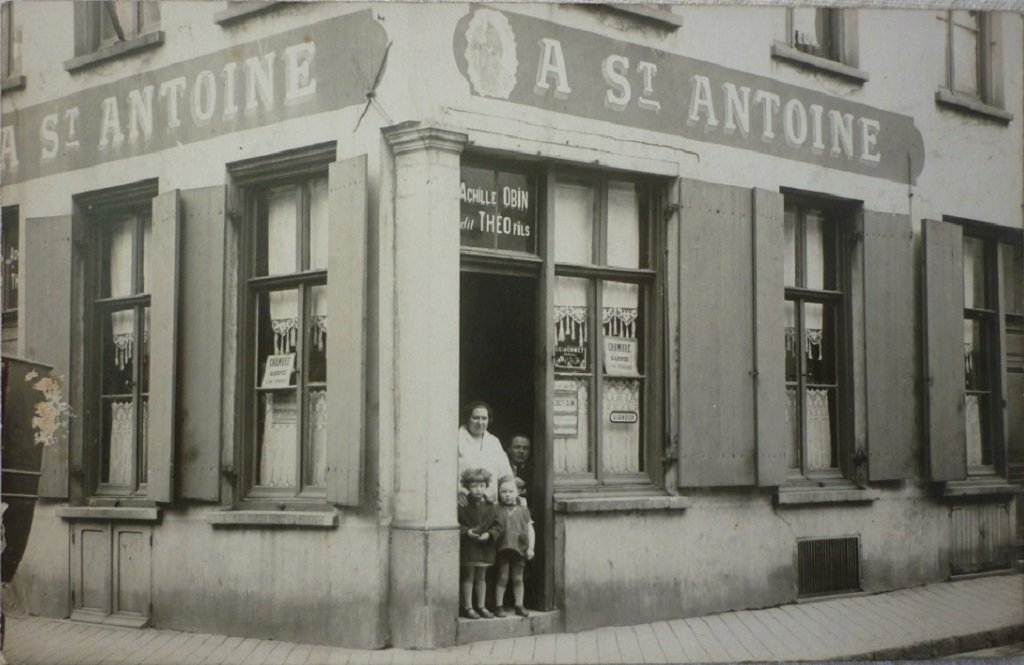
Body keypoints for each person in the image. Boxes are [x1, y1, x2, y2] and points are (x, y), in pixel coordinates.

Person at [458, 467, 502, 619]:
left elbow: (498, 525)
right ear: (468, 487)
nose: (478, 489)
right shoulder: (462, 504)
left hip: (485, 546)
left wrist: (489, 534)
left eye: (481, 486)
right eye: (474, 486)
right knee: (469, 576)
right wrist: (466, 532)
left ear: (486, 486)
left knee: (481, 577)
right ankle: (468, 607)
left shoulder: (491, 505)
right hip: (469, 546)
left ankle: (481, 606)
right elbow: (457, 523)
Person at [493, 475, 535, 618]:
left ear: (517, 493)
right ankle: (498, 605)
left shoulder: (523, 510)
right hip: (503, 548)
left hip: (519, 549)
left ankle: (519, 605)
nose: (507, 495)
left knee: (518, 578)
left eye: (511, 491)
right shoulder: (496, 509)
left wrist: (531, 548)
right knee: (502, 577)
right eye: (503, 491)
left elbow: (530, 530)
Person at [458, 401, 513, 505]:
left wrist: (511, 491)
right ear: (467, 418)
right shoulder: (456, 439)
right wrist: (456, 493)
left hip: (490, 503)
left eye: (484, 418)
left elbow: (505, 473)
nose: (480, 422)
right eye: (475, 418)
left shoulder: (494, 442)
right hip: (464, 502)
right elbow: (444, 473)